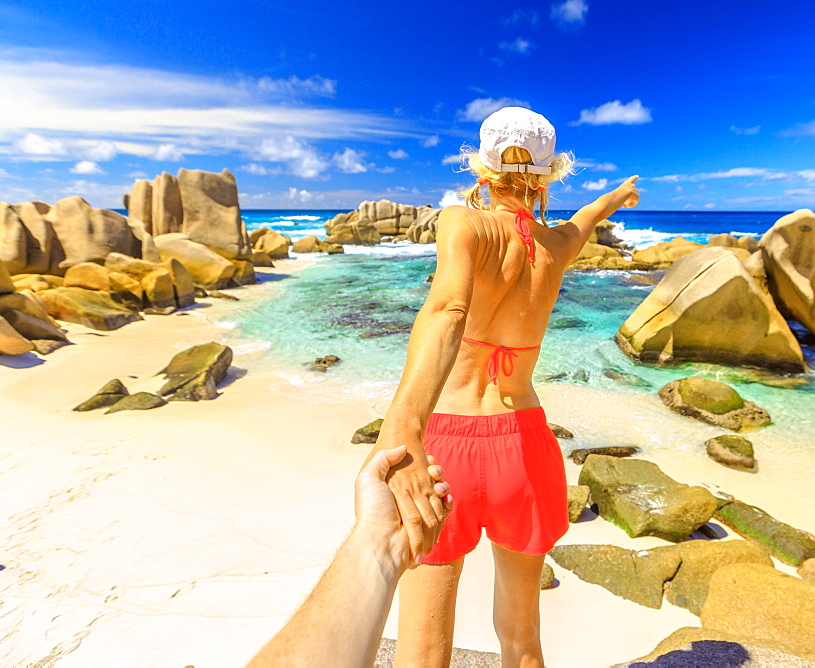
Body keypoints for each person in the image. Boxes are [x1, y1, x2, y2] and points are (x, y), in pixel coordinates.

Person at [369, 106, 640, 668]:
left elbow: (447, 308)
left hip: (448, 445)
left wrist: (402, 425)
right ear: (545, 179)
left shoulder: (461, 222)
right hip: (527, 445)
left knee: (421, 647)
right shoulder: (555, 249)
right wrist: (614, 199)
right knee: (522, 643)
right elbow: (582, 222)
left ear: (481, 171)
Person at [248, 445, 453, 667]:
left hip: (435, 446)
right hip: (442, 455)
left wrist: (378, 537)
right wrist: (380, 536)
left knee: (421, 641)